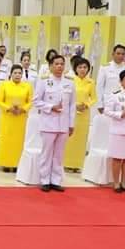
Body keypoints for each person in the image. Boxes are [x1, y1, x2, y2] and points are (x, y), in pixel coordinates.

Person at [34, 55, 76, 192]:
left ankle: (56, 180)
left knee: (59, 154)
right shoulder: (44, 81)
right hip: (48, 123)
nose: (59, 66)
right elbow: (36, 101)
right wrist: (51, 107)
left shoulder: (69, 83)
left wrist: (71, 124)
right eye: (56, 64)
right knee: (46, 153)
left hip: (63, 124)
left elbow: (72, 105)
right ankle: (44, 180)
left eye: (62, 64)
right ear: (51, 66)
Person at [0, 64, 32, 171]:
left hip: (21, 118)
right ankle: (5, 163)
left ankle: (17, 164)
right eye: (15, 73)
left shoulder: (27, 86)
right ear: (11, 74)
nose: (17, 75)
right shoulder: (4, 85)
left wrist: (23, 109)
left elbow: (31, 101)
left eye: (19, 73)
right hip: (7, 117)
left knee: (19, 141)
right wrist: (8, 108)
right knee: (6, 140)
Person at [63, 57, 97, 172]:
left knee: (81, 139)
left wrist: (86, 105)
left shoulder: (91, 82)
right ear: (75, 69)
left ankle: (78, 165)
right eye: (80, 67)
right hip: (72, 113)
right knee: (70, 138)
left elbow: (94, 98)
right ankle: (67, 163)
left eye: (85, 67)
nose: (82, 69)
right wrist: (75, 105)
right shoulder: (70, 80)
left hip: (84, 114)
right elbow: (66, 97)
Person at [96, 45, 125, 112]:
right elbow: (99, 87)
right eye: (118, 53)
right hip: (108, 102)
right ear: (113, 54)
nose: (121, 56)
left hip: (123, 102)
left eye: (123, 54)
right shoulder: (105, 68)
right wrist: (99, 104)